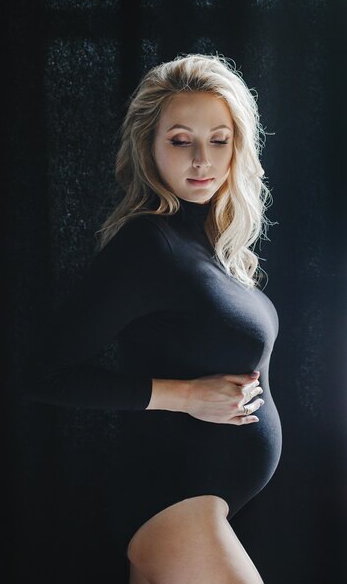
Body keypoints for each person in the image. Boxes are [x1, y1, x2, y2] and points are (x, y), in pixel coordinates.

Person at [23, 53, 282, 583]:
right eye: (181, 140)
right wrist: (186, 396)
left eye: (219, 140)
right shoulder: (149, 245)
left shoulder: (209, 245)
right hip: (171, 497)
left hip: (198, 502)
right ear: (150, 147)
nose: (201, 161)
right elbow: (41, 373)